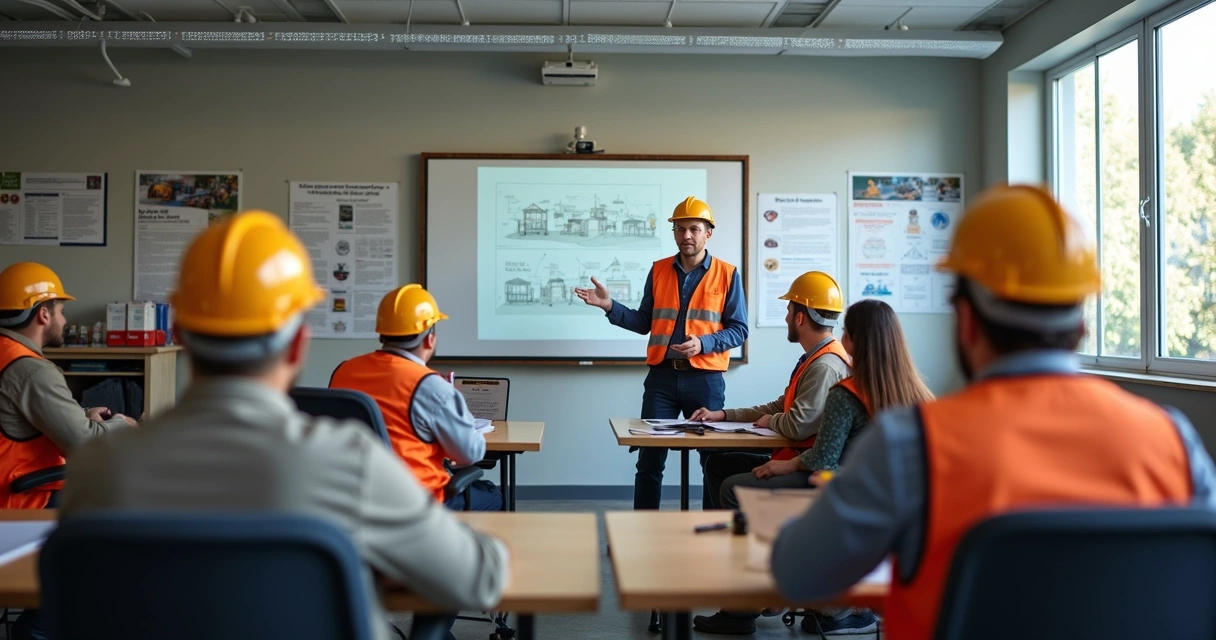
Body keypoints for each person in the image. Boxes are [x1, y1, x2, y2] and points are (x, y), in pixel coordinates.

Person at [770, 185, 1216, 640]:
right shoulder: (1175, 440)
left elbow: (797, 574)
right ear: (1082, 326)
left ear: (966, 321)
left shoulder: (912, 443)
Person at [59, 212, 508, 640]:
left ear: (179, 334)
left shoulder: (97, 466)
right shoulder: (349, 462)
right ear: (297, 344)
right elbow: (480, 577)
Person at [697, 298, 933, 637]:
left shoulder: (845, 391)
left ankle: (761, 603)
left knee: (735, 489)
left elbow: (823, 461)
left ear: (855, 341)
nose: (842, 341)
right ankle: (809, 601)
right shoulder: (918, 394)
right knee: (730, 471)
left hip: (840, 496)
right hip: (891, 509)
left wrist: (785, 466)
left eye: (847, 334)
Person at [574, 196, 748, 510]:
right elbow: (644, 322)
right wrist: (609, 307)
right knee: (649, 460)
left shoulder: (727, 274)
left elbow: (740, 330)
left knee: (712, 460)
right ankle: (643, 531)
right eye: (680, 229)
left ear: (708, 232)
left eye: (694, 228)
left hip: (705, 380)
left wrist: (703, 344)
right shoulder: (658, 271)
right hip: (662, 380)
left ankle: (712, 534)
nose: (687, 236)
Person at [330, 284, 503, 511]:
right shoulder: (430, 385)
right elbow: (470, 453)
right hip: (418, 502)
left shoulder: (344, 370)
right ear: (430, 338)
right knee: (494, 495)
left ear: (382, 333)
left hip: (355, 497)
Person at [696, 271, 849, 512]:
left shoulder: (824, 366)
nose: (786, 318)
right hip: (796, 457)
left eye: (788, 311)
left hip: (809, 467)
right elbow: (781, 405)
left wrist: (771, 421)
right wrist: (724, 415)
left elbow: (797, 425)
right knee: (717, 464)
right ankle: (730, 534)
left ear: (800, 318)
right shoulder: (814, 359)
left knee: (731, 486)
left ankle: (747, 541)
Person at [0, 262, 136, 510]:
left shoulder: (6, 354)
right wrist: (121, 424)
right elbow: (85, 444)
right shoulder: (32, 370)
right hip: (23, 498)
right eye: (61, 311)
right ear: (44, 314)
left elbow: (17, 418)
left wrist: (84, 416)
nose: (64, 320)